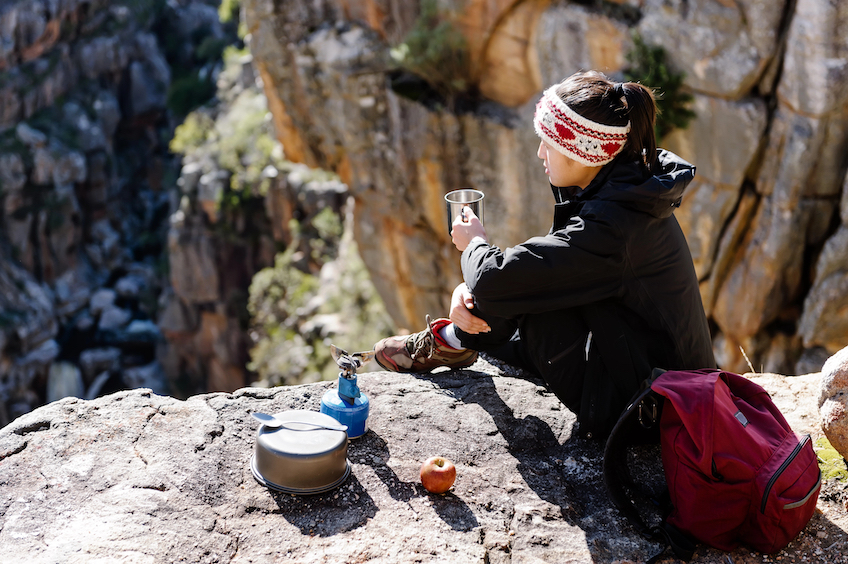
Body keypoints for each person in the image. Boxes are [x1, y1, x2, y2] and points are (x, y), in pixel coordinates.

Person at [374, 70, 716, 439]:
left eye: (549, 144)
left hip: (655, 414)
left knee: (516, 287)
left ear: (584, 153)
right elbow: (537, 270)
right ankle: (457, 339)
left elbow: (500, 279)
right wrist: (473, 288)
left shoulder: (614, 225)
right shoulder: (627, 189)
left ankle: (454, 341)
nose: (540, 153)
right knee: (522, 281)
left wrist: (473, 246)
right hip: (656, 382)